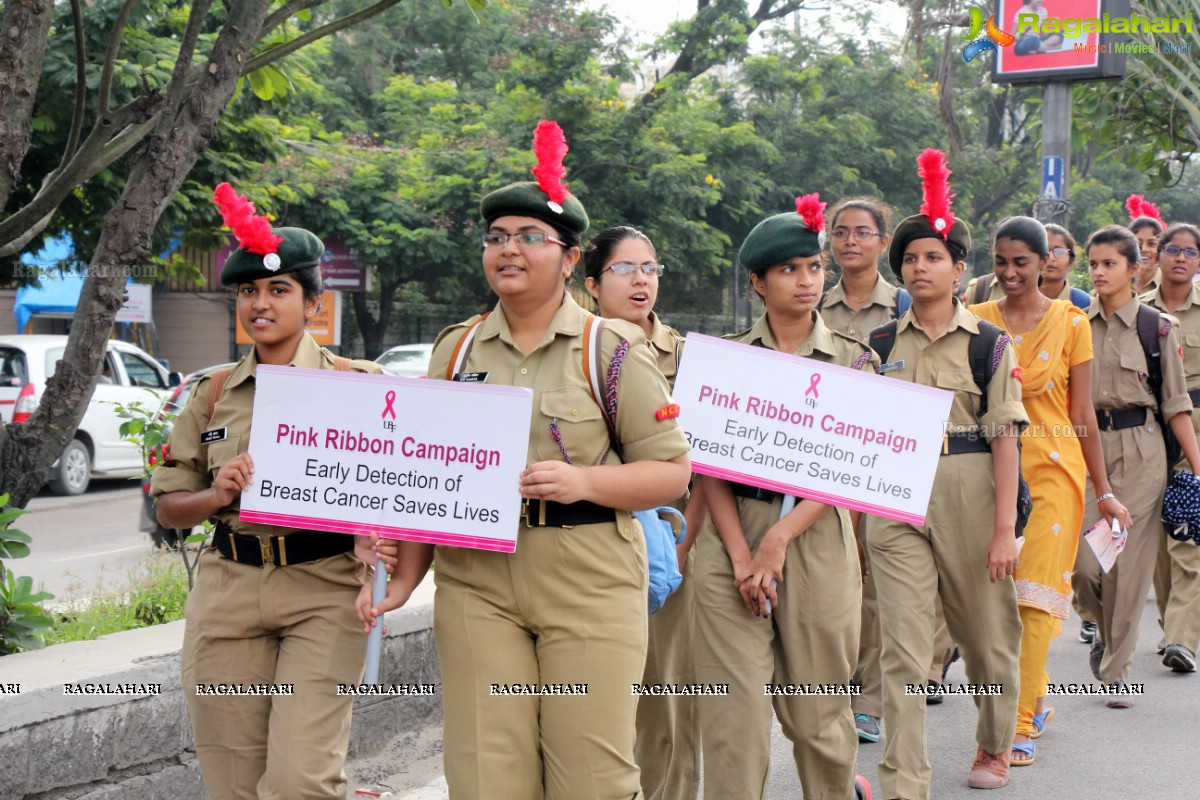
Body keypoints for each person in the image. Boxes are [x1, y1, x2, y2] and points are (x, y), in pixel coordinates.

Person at [367, 121, 692, 800]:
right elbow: (432, 482)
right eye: (497, 238)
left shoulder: (609, 350)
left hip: (589, 579)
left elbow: (670, 473)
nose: (508, 249)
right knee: (487, 773)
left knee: (591, 776)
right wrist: (403, 576)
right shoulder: (454, 352)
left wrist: (585, 479)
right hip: (477, 583)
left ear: (571, 259)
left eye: (529, 238)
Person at [150, 184, 392, 799]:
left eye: (279, 290)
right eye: (248, 291)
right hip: (229, 590)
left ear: (314, 305)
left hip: (326, 589)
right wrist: (215, 495)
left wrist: (377, 534)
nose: (261, 303)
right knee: (232, 781)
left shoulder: (363, 388)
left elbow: (412, 486)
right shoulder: (210, 393)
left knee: (299, 780)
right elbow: (170, 507)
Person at [692, 194, 872, 800]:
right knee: (731, 718)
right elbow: (707, 466)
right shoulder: (725, 359)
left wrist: (778, 540)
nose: (806, 280)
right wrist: (742, 554)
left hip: (816, 537)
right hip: (729, 536)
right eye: (789, 270)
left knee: (817, 715)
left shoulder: (854, 361)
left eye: (814, 267)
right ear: (758, 283)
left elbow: (853, 469)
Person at [867, 150, 1027, 797]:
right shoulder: (880, 345)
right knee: (903, 647)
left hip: (971, 485)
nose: (919, 267)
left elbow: (1007, 440)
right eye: (909, 259)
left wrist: (1002, 531)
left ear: (960, 270)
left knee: (987, 635)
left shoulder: (988, 344)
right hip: (896, 494)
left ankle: (995, 742)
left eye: (933, 257)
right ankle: (905, 776)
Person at [970, 216, 1133, 767]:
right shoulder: (976, 320)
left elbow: (1082, 411)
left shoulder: (1072, 321)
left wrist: (1104, 490)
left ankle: (1015, 724)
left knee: (1035, 597)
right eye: (1001, 262)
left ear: (1046, 263)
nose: (1011, 272)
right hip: (990, 471)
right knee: (997, 600)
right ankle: (1035, 694)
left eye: (1022, 262)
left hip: (1056, 470)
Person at [818, 196, 950, 743]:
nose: (850, 241)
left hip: (886, 459)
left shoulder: (904, 304)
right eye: (840, 231)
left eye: (863, 232)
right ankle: (832, 686)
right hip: (823, 457)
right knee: (832, 576)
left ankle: (869, 700)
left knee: (873, 581)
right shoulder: (813, 303)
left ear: (881, 241)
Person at [583, 225, 704, 800]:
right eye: (624, 269)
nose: (640, 280)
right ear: (590, 284)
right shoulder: (573, 354)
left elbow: (710, 463)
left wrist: (686, 542)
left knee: (663, 686)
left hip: (666, 543)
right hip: (584, 540)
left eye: (650, 268)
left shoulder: (689, 356)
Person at [1072, 224, 1200, 705]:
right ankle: (1105, 633)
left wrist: (1197, 465)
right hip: (1086, 448)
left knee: (1128, 565)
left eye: (1109, 263)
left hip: (1144, 452)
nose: (1099, 272)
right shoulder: (1074, 324)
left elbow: (1175, 404)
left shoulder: (1158, 328)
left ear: (1133, 268)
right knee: (1086, 566)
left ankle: (1118, 668)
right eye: (1094, 263)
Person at [1144, 222, 1200, 674]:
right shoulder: (1140, 311)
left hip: (1197, 428)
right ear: (1158, 255)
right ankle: (1171, 624)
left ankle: (1182, 637)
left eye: (1190, 251)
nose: (1181, 257)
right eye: (1173, 249)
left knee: (1190, 534)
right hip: (1146, 429)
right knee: (1157, 538)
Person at [1128, 195, 1166, 294]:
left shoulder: (1170, 285)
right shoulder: (1115, 284)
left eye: (1151, 244)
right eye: (1138, 243)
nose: (1144, 249)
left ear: (1160, 247)